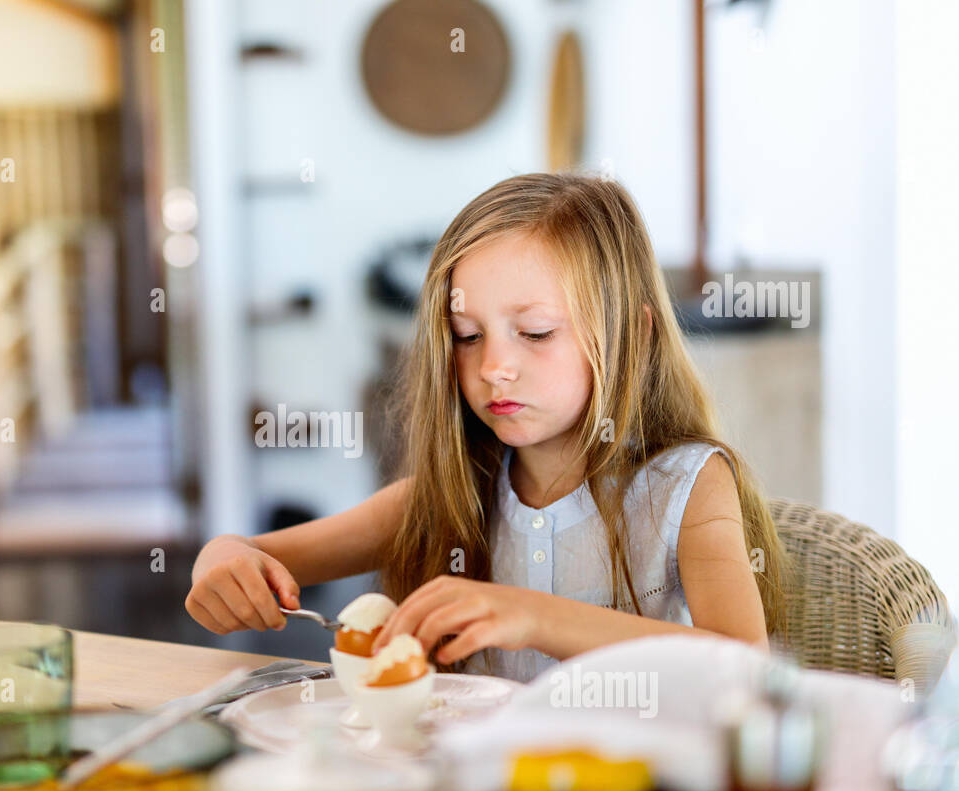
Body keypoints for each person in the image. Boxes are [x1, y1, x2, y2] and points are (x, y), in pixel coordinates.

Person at [186, 172, 787, 682]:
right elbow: (254, 554)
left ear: (634, 333)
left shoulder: (688, 485)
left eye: (535, 332)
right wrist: (223, 561)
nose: (494, 367)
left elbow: (742, 667)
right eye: (468, 336)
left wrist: (530, 614)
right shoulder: (455, 492)